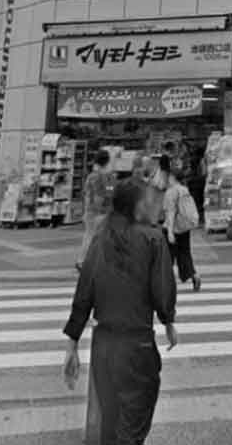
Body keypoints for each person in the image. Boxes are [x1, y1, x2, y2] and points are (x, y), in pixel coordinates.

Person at [63, 179, 177, 445]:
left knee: (110, 425)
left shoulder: (102, 237)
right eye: (147, 200)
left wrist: (72, 341)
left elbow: (84, 290)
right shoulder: (152, 238)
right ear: (137, 206)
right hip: (136, 345)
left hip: (103, 346)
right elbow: (162, 288)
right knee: (132, 427)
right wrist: (168, 321)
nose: (151, 204)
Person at [161, 158, 202, 292]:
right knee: (185, 253)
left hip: (173, 228)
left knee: (167, 256)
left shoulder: (170, 192)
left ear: (172, 177)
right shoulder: (185, 190)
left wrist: (171, 231)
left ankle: (166, 282)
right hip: (185, 227)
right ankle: (194, 275)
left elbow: (170, 212)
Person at [80, 150, 114, 271]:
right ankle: (84, 262)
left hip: (92, 211)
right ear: (107, 161)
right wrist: (102, 212)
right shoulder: (99, 176)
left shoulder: (94, 175)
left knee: (90, 236)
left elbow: (87, 195)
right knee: (92, 237)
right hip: (97, 213)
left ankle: (84, 261)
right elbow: (98, 197)